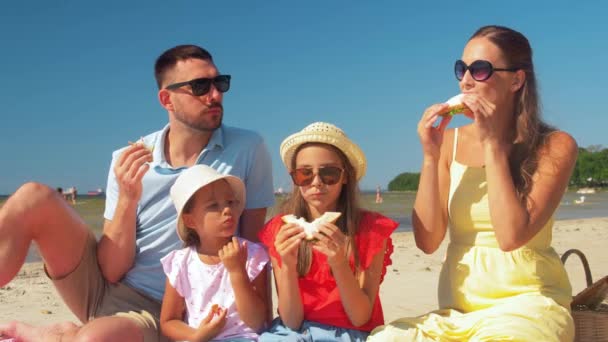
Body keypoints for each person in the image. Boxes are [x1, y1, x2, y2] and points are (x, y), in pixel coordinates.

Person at [0, 44, 274, 341]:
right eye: (200, 86)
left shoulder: (247, 148)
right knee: (33, 198)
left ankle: (58, 335)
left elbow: (249, 248)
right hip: (107, 287)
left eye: (220, 83)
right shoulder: (131, 158)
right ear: (166, 99)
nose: (216, 95)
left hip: (167, 310)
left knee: (92, 339)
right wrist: (128, 200)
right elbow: (111, 270)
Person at [369, 25, 577, 341]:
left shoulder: (555, 145)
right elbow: (427, 241)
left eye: (479, 70)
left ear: (517, 80)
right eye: (461, 68)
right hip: (460, 310)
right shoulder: (449, 143)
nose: (465, 80)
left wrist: (492, 144)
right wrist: (430, 155)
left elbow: (510, 236)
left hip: (529, 306)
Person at [258, 122, 398, 341]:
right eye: (305, 173)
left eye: (329, 173)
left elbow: (360, 317)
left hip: (353, 333)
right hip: (296, 331)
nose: (316, 182)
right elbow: (291, 320)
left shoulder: (370, 230)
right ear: (294, 178)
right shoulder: (280, 229)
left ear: (345, 177)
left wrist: (340, 264)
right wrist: (287, 266)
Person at [160, 165, 269, 341]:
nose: (227, 210)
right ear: (190, 220)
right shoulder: (180, 262)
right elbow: (169, 321)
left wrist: (237, 271)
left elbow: (258, 322)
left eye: (231, 202)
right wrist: (199, 335)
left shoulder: (251, 255)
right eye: (213, 205)